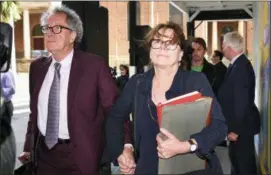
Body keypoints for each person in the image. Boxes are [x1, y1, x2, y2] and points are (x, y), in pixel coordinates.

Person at [106, 22, 227, 175]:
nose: (162, 47)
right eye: (157, 42)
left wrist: (186, 146)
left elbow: (219, 126)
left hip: (192, 169)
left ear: (181, 54)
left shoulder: (195, 81)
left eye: (170, 43)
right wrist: (124, 150)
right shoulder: (137, 83)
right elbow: (115, 118)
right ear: (150, 49)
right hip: (147, 168)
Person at [18, 5, 119, 175]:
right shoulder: (37, 68)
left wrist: (125, 147)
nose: (49, 33)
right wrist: (29, 147)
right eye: (46, 28)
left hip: (80, 157)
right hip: (44, 157)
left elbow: (115, 110)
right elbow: (34, 114)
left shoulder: (94, 66)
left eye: (57, 28)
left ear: (72, 35)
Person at [218, 32, 260, 175]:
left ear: (229, 47)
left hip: (241, 129)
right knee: (237, 163)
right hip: (239, 127)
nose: (222, 48)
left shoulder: (241, 67)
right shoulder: (237, 65)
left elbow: (242, 102)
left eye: (223, 45)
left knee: (244, 166)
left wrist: (235, 130)